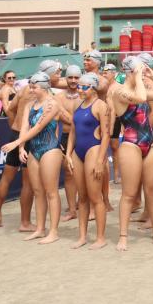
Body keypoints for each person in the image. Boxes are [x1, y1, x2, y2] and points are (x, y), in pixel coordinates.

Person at [108, 57, 153, 250]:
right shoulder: (119, 91)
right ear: (130, 72)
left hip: (148, 143)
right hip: (131, 144)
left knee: (152, 190)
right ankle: (123, 236)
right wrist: (139, 77)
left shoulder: (139, 89)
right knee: (129, 193)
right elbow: (141, 98)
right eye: (139, 70)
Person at [1, 72, 65, 244]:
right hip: (33, 149)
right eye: (30, 86)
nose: (31, 90)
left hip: (50, 149)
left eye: (34, 87)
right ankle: (40, 229)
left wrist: (16, 143)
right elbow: (25, 126)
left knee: (51, 192)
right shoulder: (30, 104)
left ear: (43, 88)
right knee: (37, 192)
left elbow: (38, 127)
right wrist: (21, 147)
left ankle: (54, 231)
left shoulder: (52, 104)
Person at [64, 73, 111, 249]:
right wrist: (68, 153)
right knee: (82, 197)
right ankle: (82, 236)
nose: (80, 89)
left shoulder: (101, 106)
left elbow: (106, 135)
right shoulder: (78, 104)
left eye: (84, 87)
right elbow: (73, 132)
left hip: (93, 149)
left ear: (93, 88)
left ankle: (100, 238)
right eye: (79, 86)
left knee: (95, 197)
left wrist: (100, 160)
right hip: (78, 151)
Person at [56, 65, 83, 222]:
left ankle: (88, 206)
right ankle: (72, 209)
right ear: (65, 79)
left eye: (76, 77)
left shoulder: (86, 94)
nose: (73, 80)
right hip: (66, 137)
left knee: (87, 173)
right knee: (68, 173)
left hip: (84, 137)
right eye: (70, 77)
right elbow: (53, 120)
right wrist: (56, 140)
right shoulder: (58, 97)